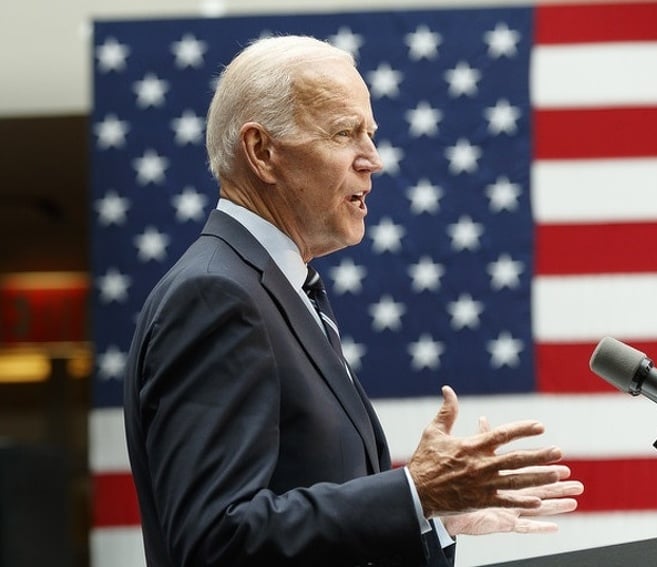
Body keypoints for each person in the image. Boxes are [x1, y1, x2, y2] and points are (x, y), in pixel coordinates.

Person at [124, 35, 583, 567]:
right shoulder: (216, 295)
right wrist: (413, 494)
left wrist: (429, 516)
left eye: (370, 134)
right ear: (262, 152)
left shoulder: (280, 289)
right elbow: (214, 543)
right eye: (345, 133)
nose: (374, 160)